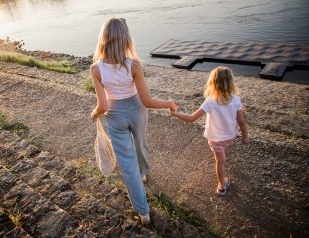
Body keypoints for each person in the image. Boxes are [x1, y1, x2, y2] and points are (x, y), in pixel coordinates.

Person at [90, 18, 178, 224]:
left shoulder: (96, 68)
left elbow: (102, 106)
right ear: (125, 39)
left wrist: (94, 113)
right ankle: (145, 173)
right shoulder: (134, 65)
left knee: (127, 166)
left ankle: (143, 213)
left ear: (103, 39)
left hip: (114, 115)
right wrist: (168, 103)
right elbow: (146, 101)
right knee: (140, 143)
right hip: (137, 110)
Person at [169, 66, 249, 196]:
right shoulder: (236, 99)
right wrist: (245, 136)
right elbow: (241, 121)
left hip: (216, 139)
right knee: (222, 154)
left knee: (220, 162)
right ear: (231, 82)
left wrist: (174, 114)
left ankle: (222, 186)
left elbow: (192, 118)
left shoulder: (210, 102)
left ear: (213, 83)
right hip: (229, 136)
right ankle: (223, 164)